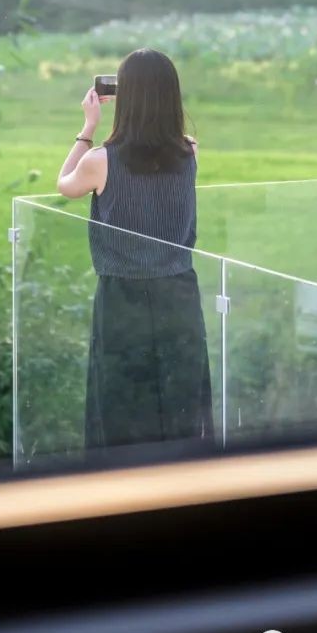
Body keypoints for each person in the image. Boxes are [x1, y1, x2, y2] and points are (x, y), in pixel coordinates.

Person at [56, 48, 215, 454]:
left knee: (122, 407)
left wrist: (87, 127)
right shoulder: (190, 151)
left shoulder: (99, 161)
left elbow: (65, 185)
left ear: (127, 99)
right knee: (179, 404)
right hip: (178, 292)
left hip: (122, 300)